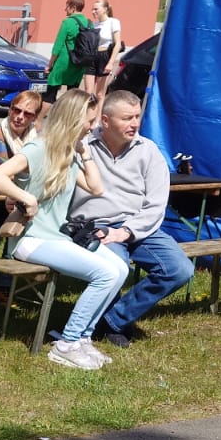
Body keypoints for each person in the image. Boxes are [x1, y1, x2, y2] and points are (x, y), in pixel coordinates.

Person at [0, 90, 127, 370]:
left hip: (56, 238)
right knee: (105, 274)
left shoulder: (68, 153)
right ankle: (67, 344)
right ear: (73, 119)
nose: (92, 127)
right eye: (89, 121)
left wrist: (85, 152)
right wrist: (26, 198)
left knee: (121, 269)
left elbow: (97, 188)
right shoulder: (39, 148)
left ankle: (82, 339)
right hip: (30, 240)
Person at [74, 89, 193, 348]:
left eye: (137, 116)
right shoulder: (81, 146)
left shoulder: (148, 151)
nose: (135, 124)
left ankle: (114, 319)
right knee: (116, 267)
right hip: (94, 225)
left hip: (138, 225)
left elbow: (156, 204)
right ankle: (104, 321)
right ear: (105, 120)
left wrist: (126, 231)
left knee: (179, 269)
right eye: (127, 118)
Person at [0, 90, 44, 307]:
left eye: (27, 114)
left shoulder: (39, 140)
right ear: (10, 108)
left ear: (35, 117)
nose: (19, 117)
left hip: (26, 202)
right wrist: (10, 192)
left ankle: (5, 284)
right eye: (16, 110)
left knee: (21, 231)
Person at [45, 0, 90, 103]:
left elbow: (57, 46)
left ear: (73, 7)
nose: (65, 9)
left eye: (67, 6)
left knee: (49, 95)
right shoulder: (89, 23)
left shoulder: (67, 22)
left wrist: (49, 65)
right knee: (72, 96)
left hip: (63, 62)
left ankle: (44, 114)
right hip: (80, 64)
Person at [83, 0, 125, 100]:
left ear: (105, 9)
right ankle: (87, 110)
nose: (93, 12)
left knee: (100, 93)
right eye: (92, 9)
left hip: (104, 56)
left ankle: (98, 111)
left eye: (96, 9)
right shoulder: (94, 25)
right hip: (92, 56)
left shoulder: (113, 22)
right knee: (88, 92)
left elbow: (118, 44)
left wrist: (110, 63)